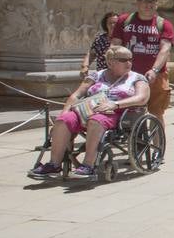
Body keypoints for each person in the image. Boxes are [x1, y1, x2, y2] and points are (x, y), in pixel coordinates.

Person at [29, 46, 149, 179]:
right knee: (63, 120)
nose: (129, 63)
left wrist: (115, 104)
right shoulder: (96, 75)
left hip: (118, 114)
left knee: (96, 120)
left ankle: (88, 166)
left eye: (130, 59)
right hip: (87, 110)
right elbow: (76, 95)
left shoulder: (137, 78)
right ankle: (54, 164)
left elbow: (142, 98)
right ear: (110, 62)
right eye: (123, 60)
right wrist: (64, 112)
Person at [111, 0, 174, 123]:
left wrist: (154, 70)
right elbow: (115, 45)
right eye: (145, 1)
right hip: (128, 74)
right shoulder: (124, 20)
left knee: (156, 113)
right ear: (138, 3)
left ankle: (158, 136)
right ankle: (136, 135)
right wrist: (113, 65)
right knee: (129, 110)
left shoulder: (164, 24)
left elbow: (165, 49)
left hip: (155, 76)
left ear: (156, 5)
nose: (148, 5)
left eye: (152, 2)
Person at [80, 11, 118, 77]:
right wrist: (85, 66)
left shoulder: (124, 38)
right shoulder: (100, 38)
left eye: (115, 23)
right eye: (110, 23)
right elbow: (91, 54)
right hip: (101, 76)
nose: (112, 25)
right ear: (106, 25)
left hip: (119, 76)